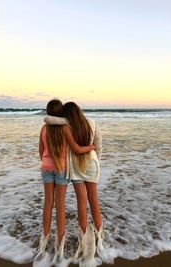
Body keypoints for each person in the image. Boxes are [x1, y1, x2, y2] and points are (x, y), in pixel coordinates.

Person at [44, 102, 104, 261]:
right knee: (94, 200)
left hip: (76, 167)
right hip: (91, 163)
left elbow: (48, 120)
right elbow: (99, 147)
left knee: (81, 201)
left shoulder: (67, 125)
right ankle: (100, 236)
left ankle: (84, 237)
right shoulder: (92, 123)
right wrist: (94, 159)